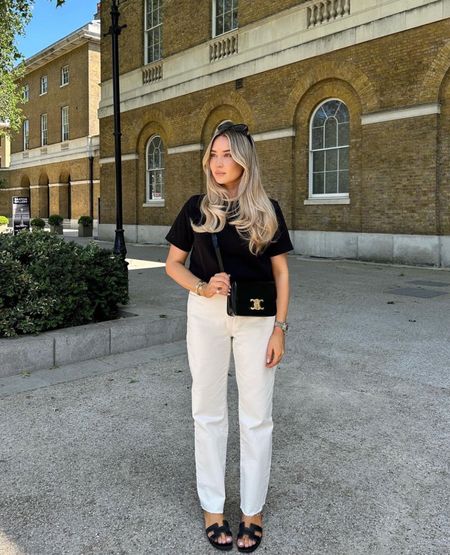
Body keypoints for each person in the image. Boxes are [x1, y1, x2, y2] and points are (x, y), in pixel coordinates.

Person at [165, 120, 293, 552]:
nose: (219, 163)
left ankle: (252, 512)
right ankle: (213, 508)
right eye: (213, 156)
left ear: (244, 160)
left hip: (258, 319)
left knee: (257, 415)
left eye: (227, 155)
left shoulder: (266, 209)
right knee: (208, 411)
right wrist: (202, 286)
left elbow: (281, 273)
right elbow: (173, 265)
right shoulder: (195, 208)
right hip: (206, 315)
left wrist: (280, 328)